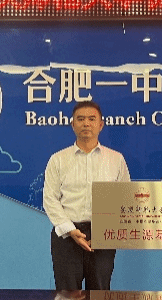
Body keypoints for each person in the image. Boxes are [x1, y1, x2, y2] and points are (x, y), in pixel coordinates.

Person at [43, 101, 130, 290]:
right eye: (80, 119)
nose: (86, 123)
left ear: (101, 124)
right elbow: (50, 199)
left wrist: (105, 231)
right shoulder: (58, 159)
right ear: (73, 124)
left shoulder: (116, 159)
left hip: (104, 236)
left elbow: (124, 198)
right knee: (67, 296)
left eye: (92, 119)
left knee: (99, 294)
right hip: (67, 236)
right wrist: (70, 230)